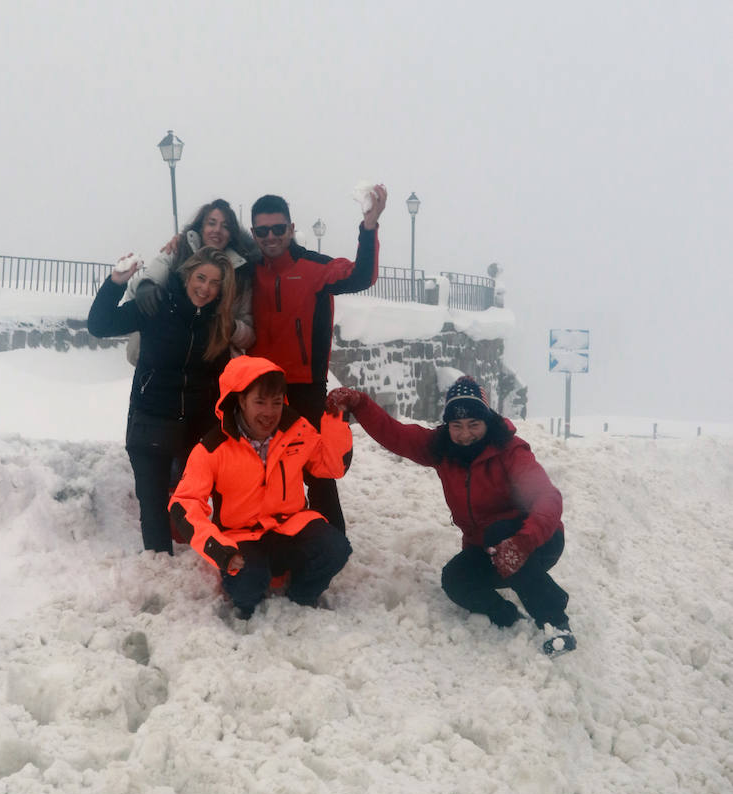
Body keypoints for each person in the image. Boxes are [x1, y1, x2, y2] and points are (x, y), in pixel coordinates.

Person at [326, 375, 576, 655]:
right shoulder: (442, 448)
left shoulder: (510, 451)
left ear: (487, 421)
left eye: (473, 425)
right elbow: (395, 434)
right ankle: (509, 618)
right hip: (489, 548)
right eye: (457, 426)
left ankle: (555, 621)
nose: (465, 434)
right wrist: (360, 404)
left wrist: (524, 541)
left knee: (498, 533)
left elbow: (548, 497)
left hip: (538, 542)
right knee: (455, 579)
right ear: (448, 426)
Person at [169, 356, 353, 619]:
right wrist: (220, 551)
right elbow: (183, 506)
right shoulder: (213, 448)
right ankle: (247, 601)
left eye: (277, 402)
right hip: (241, 536)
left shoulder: (296, 431)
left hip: (291, 525)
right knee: (247, 588)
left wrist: (337, 416)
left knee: (336, 548)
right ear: (241, 400)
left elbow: (332, 467)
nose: (270, 412)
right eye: (260, 402)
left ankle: (302, 595)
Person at [249, 185, 387, 533]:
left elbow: (361, 276)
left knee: (316, 470)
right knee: (263, 468)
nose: (271, 237)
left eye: (278, 229)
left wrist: (369, 228)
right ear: (253, 234)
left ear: (291, 229)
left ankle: (332, 543)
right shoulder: (247, 271)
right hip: (259, 390)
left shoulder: (314, 268)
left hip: (305, 386)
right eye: (262, 231)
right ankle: (275, 538)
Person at [88, 247, 236, 555]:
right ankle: (158, 566)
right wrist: (116, 282)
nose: (205, 288)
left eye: (214, 283)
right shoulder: (155, 305)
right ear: (186, 276)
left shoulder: (217, 322)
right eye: (200, 277)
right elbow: (100, 325)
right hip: (150, 420)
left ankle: (220, 560)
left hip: (196, 427)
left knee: (195, 499)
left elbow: (221, 378)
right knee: (153, 502)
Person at [123, 199, 257, 365]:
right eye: (212, 223)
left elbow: (248, 336)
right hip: (166, 359)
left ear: (231, 235)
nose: (217, 230)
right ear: (201, 227)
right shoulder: (177, 252)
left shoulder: (241, 273)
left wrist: (230, 327)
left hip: (213, 366)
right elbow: (146, 281)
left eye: (225, 226)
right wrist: (145, 286)